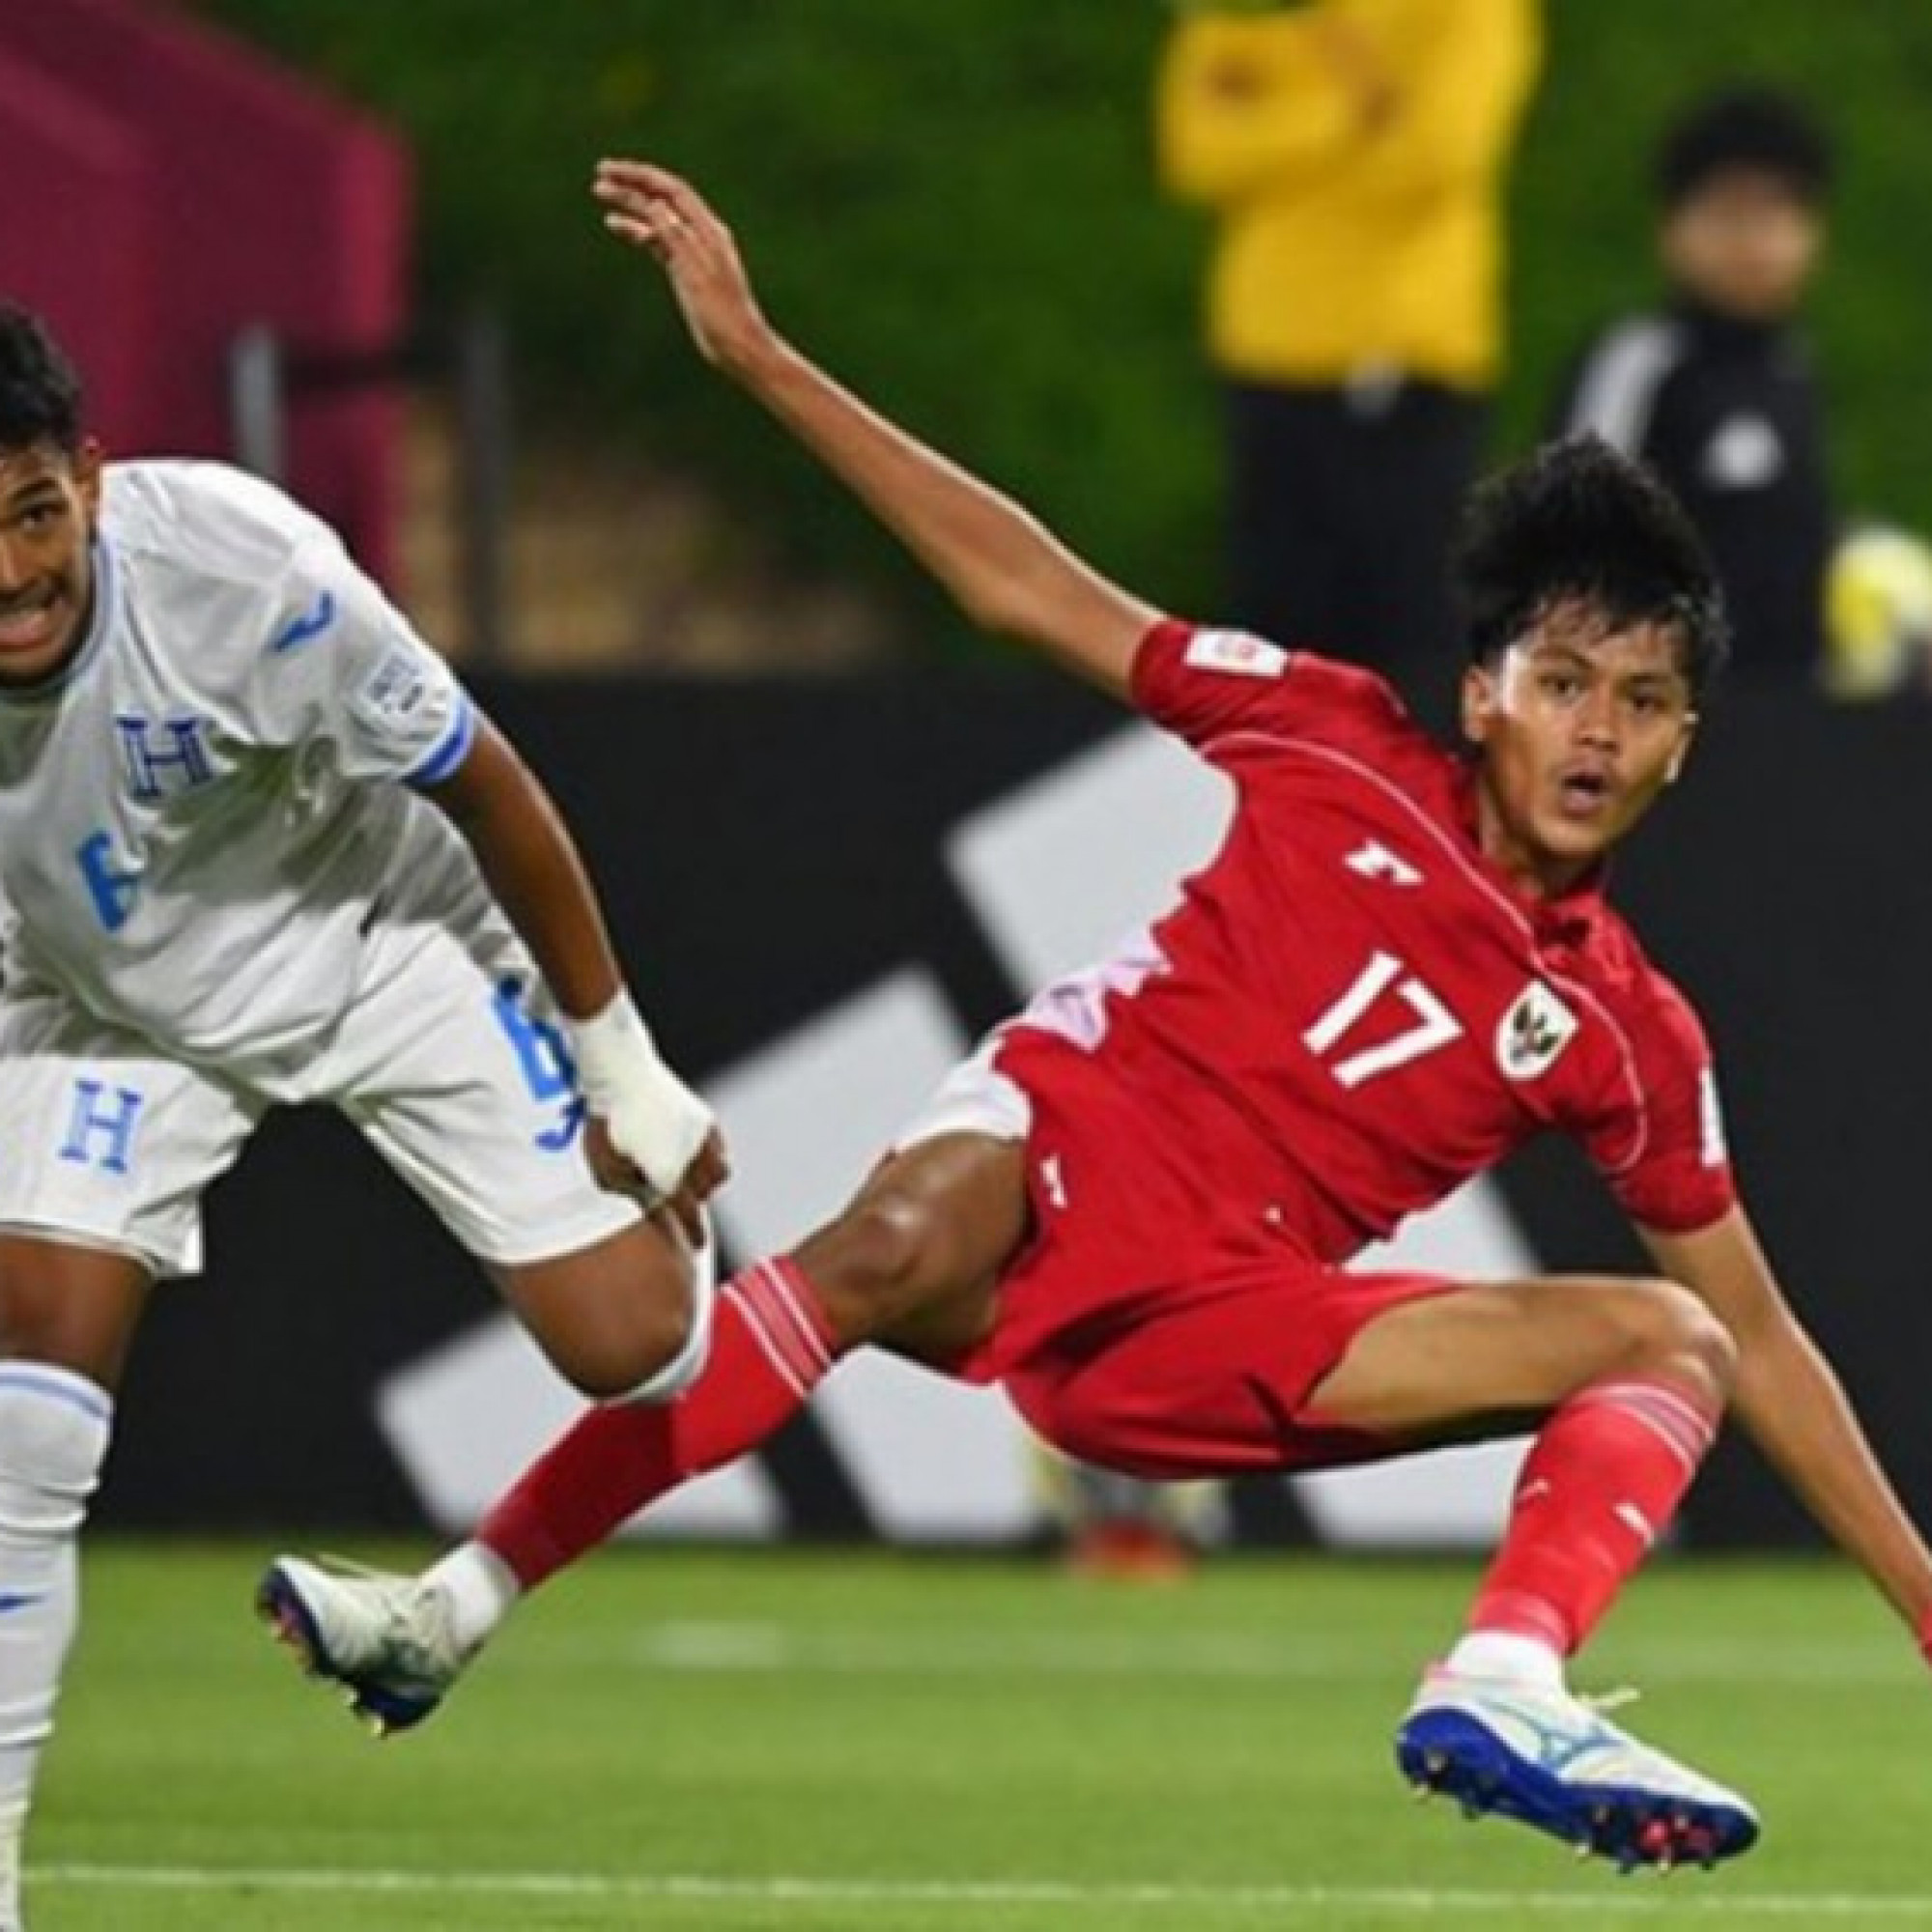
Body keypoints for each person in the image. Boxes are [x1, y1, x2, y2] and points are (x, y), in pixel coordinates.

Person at [262, 159, 1932, 1876]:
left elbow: (1774, 1347)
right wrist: (760, 357)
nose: (1597, 731)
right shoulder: (1335, 736)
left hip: (1215, 1335)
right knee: (885, 1242)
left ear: (1682, 750)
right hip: (1060, 1146)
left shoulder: (1625, 1033)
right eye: (1563, 682)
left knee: (1680, 1346)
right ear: (1479, 692)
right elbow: (1028, 592)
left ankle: (1505, 1677)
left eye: (1644, 703)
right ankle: (451, 1610)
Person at [0, 302, 731, 1930]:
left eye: (31, 511)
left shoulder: (252, 579)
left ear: (93, 484)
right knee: (25, 1427)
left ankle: (646, 1213)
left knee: (641, 1347)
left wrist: (622, 1066)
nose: (10, 572)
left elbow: (490, 786)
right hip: (95, 1002)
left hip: (374, 933)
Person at [1155, 0, 1541, 671]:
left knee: (1414, 646)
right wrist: (1347, 114)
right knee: (1272, 647)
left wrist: (1281, 131)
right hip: (1269, 355)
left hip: (1411, 365)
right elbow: (1199, 152)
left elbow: (1438, 152)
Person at [1552, 88, 1834, 676]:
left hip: (1788, 728)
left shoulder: (1794, 372)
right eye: (1729, 214)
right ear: (1673, 230)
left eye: (1777, 215)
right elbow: (1563, 543)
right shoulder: (1637, 363)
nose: (1755, 242)